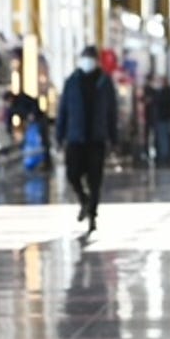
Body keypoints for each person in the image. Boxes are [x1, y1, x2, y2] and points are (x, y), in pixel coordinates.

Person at [56, 46, 117, 233]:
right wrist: (60, 135)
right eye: (85, 58)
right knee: (72, 174)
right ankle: (84, 200)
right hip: (76, 137)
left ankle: (92, 214)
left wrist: (113, 137)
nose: (87, 61)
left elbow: (111, 112)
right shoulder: (72, 82)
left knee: (95, 179)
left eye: (91, 58)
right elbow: (63, 110)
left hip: (96, 138)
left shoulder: (105, 82)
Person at [145, 74, 170, 165]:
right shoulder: (166, 91)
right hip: (164, 117)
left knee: (163, 137)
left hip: (163, 118)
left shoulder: (165, 92)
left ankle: (164, 155)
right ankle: (164, 154)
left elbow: (161, 102)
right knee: (163, 137)